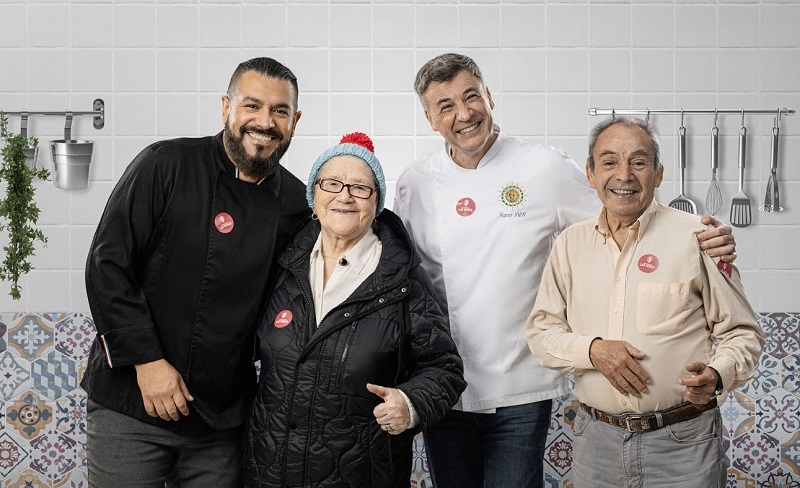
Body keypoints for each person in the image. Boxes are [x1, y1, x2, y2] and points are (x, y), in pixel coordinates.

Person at [393, 53, 739, 488]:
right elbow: (399, 272)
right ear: (429, 118)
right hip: (444, 382)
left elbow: (626, 212)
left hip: (522, 382)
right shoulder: (414, 182)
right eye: (446, 106)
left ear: (489, 97)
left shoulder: (545, 168)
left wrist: (702, 237)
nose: (463, 114)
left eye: (471, 96)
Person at [82, 57, 308, 488]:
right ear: (226, 107)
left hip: (218, 422)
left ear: (294, 121)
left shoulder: (297, 202)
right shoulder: (165, 164)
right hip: (132, 403)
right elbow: (107, 264)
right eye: (252, 106)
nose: (265, 122)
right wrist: (148, 362)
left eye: (279, 111)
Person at [526, 117, 764, 487]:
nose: (624, 175)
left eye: (638, 162)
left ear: (659, 174)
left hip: (684, 443)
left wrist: (717, 375)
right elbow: (542, 333)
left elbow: (743, 333)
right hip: (596, 442)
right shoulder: (569, 245)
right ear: (590, 173)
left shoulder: (699, 238)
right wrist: (593, 350)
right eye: (609, 162)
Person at [243, 132, 466, 488]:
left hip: (362, 474)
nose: (344, 196)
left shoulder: (402, 278)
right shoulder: (283, 265)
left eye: (360, 188)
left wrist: (410, 404)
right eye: (332, 183)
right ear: (313, 197)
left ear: (376, 204)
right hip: (270, 471)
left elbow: (445, 369)